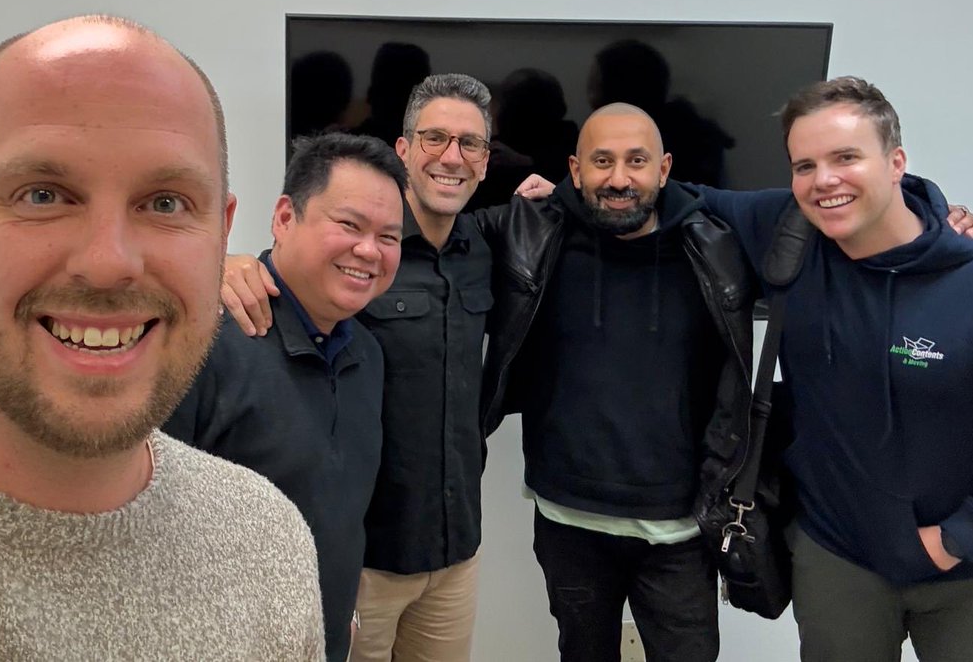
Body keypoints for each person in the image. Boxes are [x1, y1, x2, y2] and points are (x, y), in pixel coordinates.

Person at [0, 16, 325, 661]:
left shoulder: (268, 544)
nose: (107, 263)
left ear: (222, 234)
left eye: (165, 203)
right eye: (43, 195)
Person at [692, 76, 973, 661]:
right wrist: (561, 192)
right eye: (804, 166)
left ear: (896, 162)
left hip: (972, 574)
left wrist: (957, 539)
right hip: (835, 559)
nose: (824, 180)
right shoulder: (784, 231)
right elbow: (672, 193)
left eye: (846, 157)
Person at [222, 74, 495, 662]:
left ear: (485, 160)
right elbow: (293, 274)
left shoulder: (486, 246)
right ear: (404, 149)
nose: (452, 157)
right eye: (435, 138)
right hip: (365, 562)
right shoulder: (357, 264)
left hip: (454, 551)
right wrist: (220, 265)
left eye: (470, 143)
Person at [476, 103, 755, 662]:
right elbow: (424, 229)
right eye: (602, 161)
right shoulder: (533, 234)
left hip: (680, 526)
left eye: (637, 161)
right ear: (575, 171)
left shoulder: (716, 246)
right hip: (568, 517)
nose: (619, 178)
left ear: (664, 169)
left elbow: (819, 209)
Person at [164, 132, 407, 662]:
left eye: (389, 236)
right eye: (349, 225)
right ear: (283, 218)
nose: (369, 250)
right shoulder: (201, 343)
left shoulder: (368, 355)